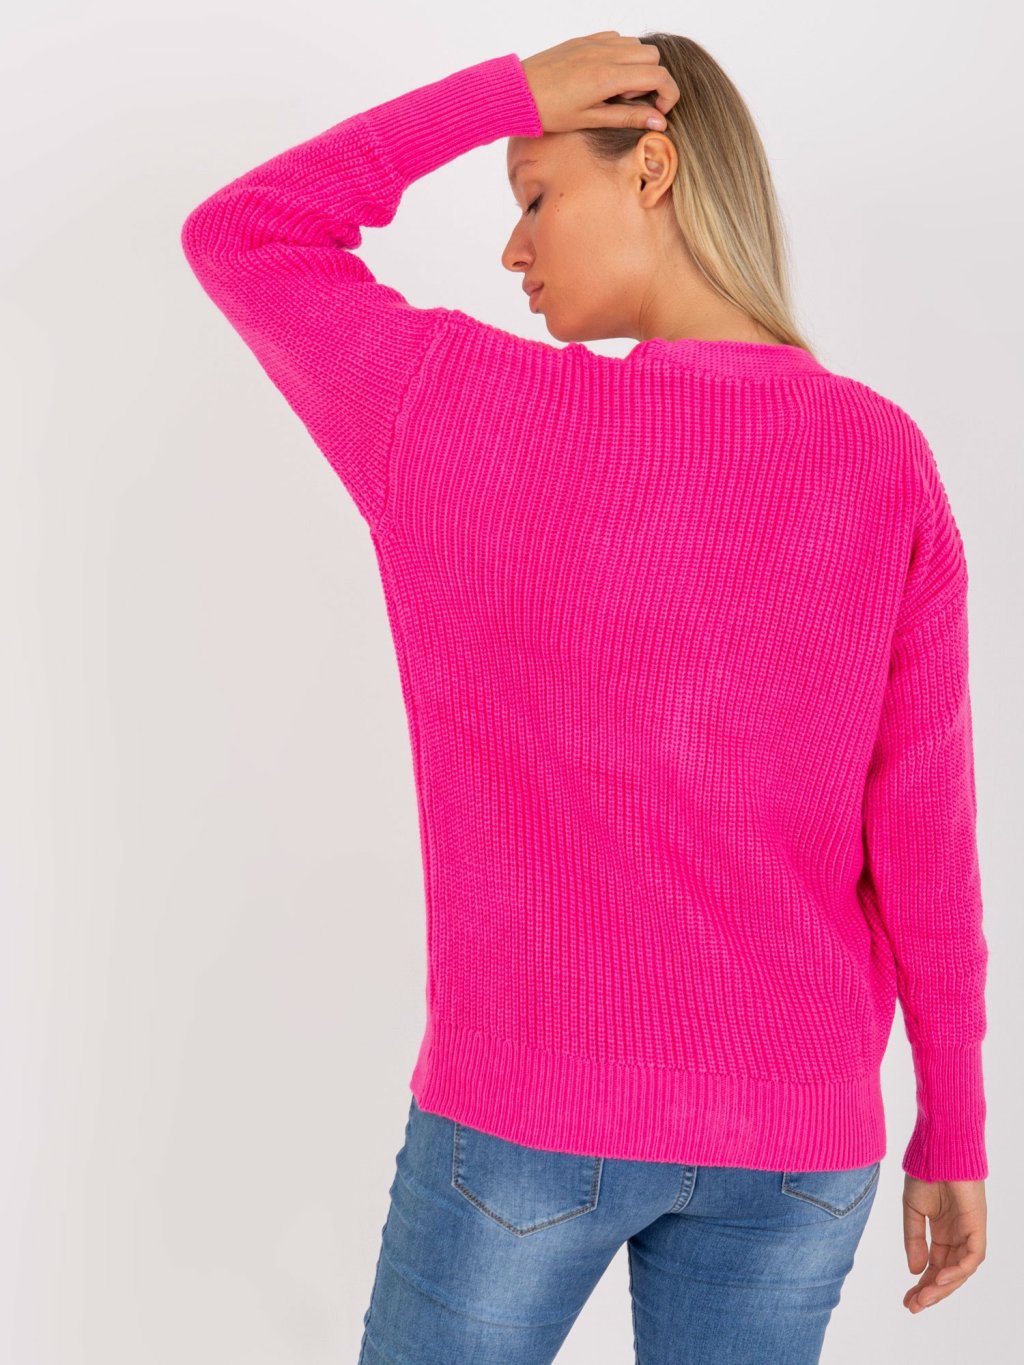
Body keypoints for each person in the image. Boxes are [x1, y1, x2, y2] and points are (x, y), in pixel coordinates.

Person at [180, 29, 989, 1363]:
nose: (514, 248)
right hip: (798, 1144)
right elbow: (926, 834)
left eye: (536, 193)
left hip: (527, 1121)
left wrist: (504, 94)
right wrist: (951, 1126)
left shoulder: (460, 411)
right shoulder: (880, 455)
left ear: (652, 170)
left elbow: (248, 235)